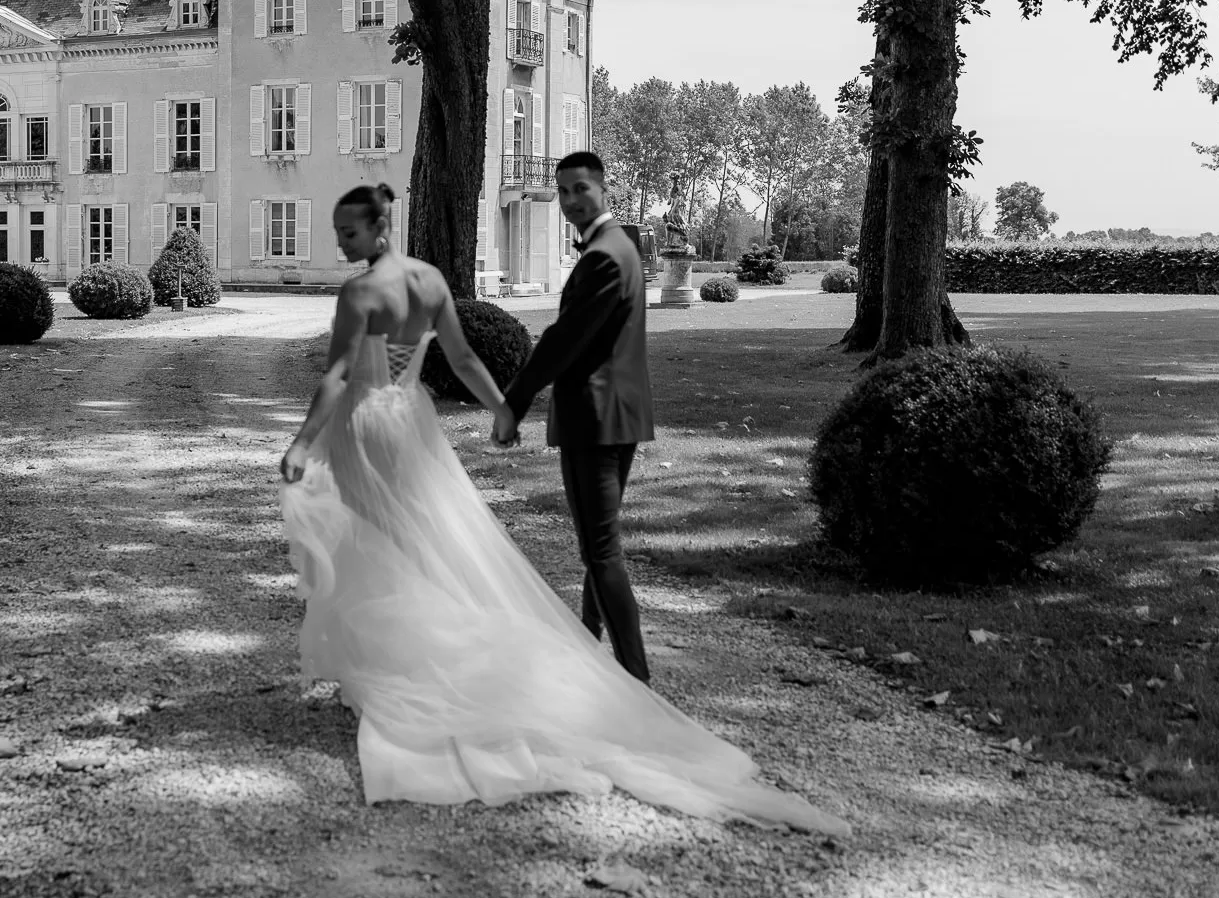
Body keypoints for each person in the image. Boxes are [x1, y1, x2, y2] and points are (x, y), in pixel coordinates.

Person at [279, 182, 848, 833]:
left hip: (362, 427)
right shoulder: (432, 280)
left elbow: (335, 377)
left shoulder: (357, 294)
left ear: (378, 229)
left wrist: (301, 444)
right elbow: (461, 357)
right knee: (423, 546)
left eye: (348, 232)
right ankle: (420, 664)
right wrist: (499, 406)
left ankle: (406, 676)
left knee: (377, 549)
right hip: (412, 425)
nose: (339, 242)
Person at [494, 150, 654, 684]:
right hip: (618, 414)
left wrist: (514, 401)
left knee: (600, 551)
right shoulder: (621, 248)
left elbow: (563, 342)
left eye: (579, 189)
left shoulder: (605, 256)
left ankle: (636, 682)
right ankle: (590, 648)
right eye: (562, 192)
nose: (569, 202)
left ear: (605, 189)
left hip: (595, 416)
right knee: (599, 545)